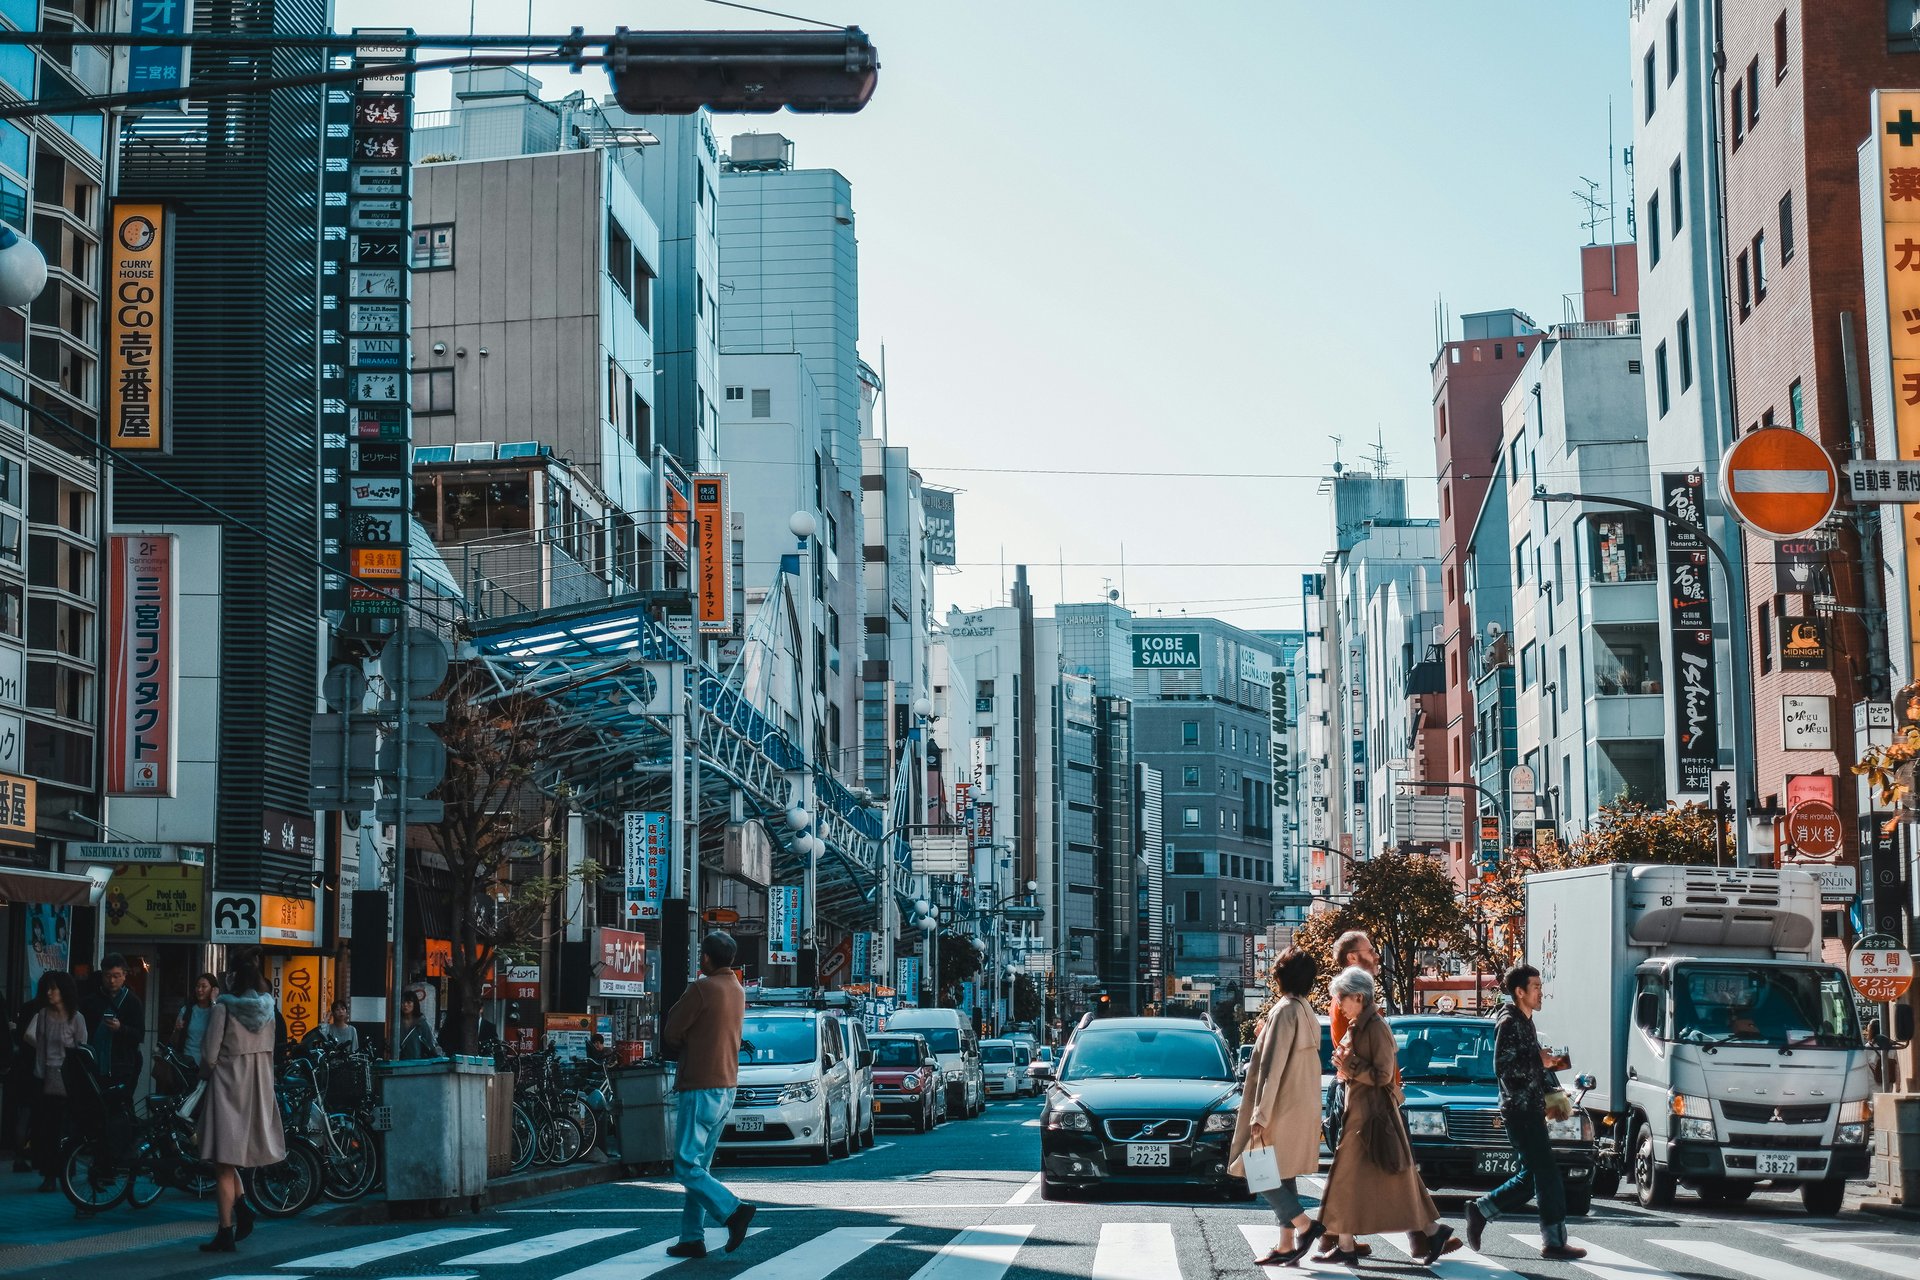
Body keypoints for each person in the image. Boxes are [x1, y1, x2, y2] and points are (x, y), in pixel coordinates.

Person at [1312, 966, 1455, 1267]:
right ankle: (1427, 1231)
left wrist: (1348, 1065)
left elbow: (1382, 1075)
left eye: (1341, 998)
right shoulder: (1358, 1025)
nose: (1338, 1003)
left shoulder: (1376, 1027)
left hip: (1371, 1116)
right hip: (1360, 1114)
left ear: (1358, 997)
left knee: (1348, 1178)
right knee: (1363, 1179)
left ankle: (1352, 1244)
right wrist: (1346, 1065)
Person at [1466, 965, 1587, 1262]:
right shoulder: (1509, 1021)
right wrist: (1540, 1061)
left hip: (1530, 1108)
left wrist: (1556, 1088)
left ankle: (1481, 1210)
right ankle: (1553, 1242)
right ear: (1520, 992)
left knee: (1533, 1176)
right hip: (1519, 1111)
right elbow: (1503, 1068)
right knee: (1546, 1175)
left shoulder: (1525, 1021)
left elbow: (1533, 1064)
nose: (1541, 991)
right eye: (1535, 986)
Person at [660, 931, 755, 1259]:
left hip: (700, 1085)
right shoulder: (737, 990)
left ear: (705, 959)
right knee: (700, 1167)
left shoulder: (702, 989)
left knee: (686, 1166)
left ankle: (733, 1210)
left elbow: (672, 1031)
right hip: (726, 1085)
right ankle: (691, 1237)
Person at [1231, 947, 1325, 1265]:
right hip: (1301, 1107)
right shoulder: (1304, 1011)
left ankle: (1304, 1225)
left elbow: (1272, 1068)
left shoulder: (1284, 1010)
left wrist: (1260, 1114)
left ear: (1280, 977)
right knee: (1283, 1175)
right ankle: (1286, 1244)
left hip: (1279, 1107)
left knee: (1258, 1171)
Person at [1320, 930, 1410, 1261]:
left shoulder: (1369, 1011)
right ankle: (1425, 1232)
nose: (1375, 955)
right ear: (1353, 958)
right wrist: (1353, 1067)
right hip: (1364, 1097)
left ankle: (1339, 1234)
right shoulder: (1348, 1005)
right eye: (1369, 950)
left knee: (1384, 1166)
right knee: (1378, 1166)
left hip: (1374, 1095)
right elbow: (1352, 1056)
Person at [197, 952, 283, 1252]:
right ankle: (244, 1207)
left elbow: (208, 1055)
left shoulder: (224, 1009)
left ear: (233, 977)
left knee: (222, 1161)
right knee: (230, 1158)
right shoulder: (270, 1010)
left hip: (227, 1086)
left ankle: (225, 1230)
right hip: (257, 1086)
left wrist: (206, 1072)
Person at [23, 972, 85, 1191]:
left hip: (69, 1079)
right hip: (47, 1077)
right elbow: (39, 1050)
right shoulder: (42, 1015)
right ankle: (49, 1174)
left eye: (54, 988)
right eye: (47, 989)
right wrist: (39, 1076)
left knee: (66, 1129)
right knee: (48, 1129)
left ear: (64, 991)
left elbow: (82, 1051)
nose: (49, 993)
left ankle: (65, 1171)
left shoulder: (76, 1018)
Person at [81, 953, 144, 1089]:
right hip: (95, 1064)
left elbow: (139, 1035)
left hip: (122, 1066)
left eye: (116, 976)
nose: (112, 981)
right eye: (108, 976)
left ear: (124, 975)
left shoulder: (132, 1002)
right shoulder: (91, 1001)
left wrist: (121, 1028)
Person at [172, 973, 220, 1073]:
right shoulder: (186, 1011)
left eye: (204, 986)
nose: (199, 990)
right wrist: (177, 1030)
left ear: (213, 989)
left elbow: (218, 1031)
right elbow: (175, 1041)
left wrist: (214, 1001)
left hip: (208, 1067)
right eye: (197, 986)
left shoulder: (217, 1011)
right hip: (186, 1065)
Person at [396, 989, 440, 1060]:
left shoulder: (421, 1023)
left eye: (409, 1002)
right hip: (398, 1061)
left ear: (415, 1004)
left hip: (417, 1063)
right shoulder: (396, 1022)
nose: (405, 1005)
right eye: (403, 1002)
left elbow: (430, 1043)